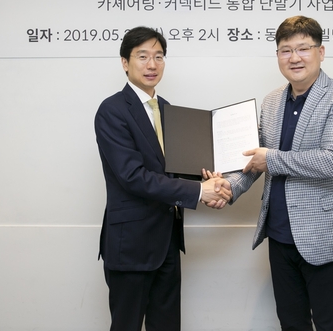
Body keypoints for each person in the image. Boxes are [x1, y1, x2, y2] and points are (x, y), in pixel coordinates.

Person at [206, 15, 333, 331]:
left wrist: (271, 158)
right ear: (278, 56)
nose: (294, 57)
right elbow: (254, 159)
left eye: (303, 48)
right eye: (285, 50)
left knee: (329, 323)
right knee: (291, 323)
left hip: (324, 234)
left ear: (320, 52)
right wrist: (228, 186)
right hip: (280, 235)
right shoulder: (271, 101)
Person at [95, 26, 231, 331]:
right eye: (142, 56)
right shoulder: (112, 110)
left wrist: (212, 179)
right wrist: (200, 191)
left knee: (168, 326)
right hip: (131, 244)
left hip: (167, 240)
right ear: (125, 62)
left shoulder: (169, 110)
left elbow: (177, 167)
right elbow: (132, 177)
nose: (152, 64)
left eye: (158, 56)